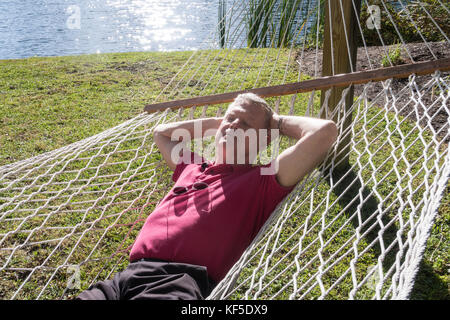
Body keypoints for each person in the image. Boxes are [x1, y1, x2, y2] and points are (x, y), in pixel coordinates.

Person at [76, 93, 338, 300]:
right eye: (231, 118)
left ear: (263, 140)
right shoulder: (192, 166)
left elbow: (324, 132)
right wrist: (221, 123)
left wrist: (275, 124)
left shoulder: (263, 179)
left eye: (246, 124)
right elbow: (162, 133)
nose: (235, 124)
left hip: (179, 281)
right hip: (125, 276)